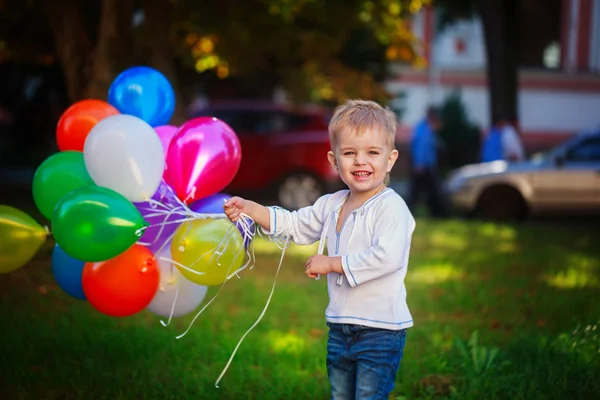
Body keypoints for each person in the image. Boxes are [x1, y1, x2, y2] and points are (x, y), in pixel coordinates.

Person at [224, 99, 415, 399]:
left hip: (380, 330)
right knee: (340, 395)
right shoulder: (331, 204)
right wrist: (253, 209)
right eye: (350, 153)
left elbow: (387, 257)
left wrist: (332, 263)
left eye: (372, 153)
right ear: (334, 160)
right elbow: (295, 224)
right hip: (340, 329)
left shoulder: (391, 208)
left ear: (390, 160)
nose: (360, 161)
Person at [408, 106, 446, 217]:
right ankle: (437, 213)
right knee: (421, 192)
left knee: (424, 191)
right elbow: (419, 147)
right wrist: (419, 164)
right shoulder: (424, 130)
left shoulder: (425, 129)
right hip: (423, 167)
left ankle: (435, 213)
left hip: (426, 166)